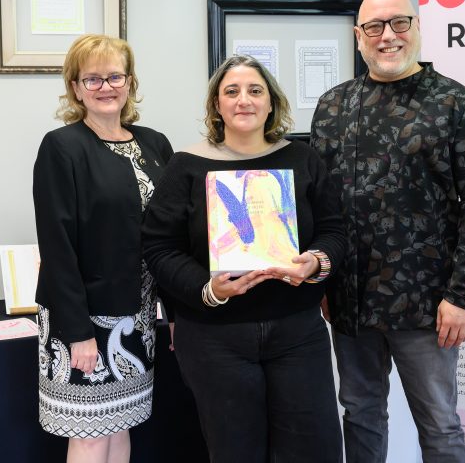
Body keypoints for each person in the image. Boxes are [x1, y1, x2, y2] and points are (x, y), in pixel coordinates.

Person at [310, 0, 465, 463]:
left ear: (416, 28)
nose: (387, 36)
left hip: (429, 304)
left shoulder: (454, 102)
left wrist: (462, 295)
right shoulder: (333, 106)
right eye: (374, 27)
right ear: (358, 37)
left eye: (399, 23)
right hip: (350, 301)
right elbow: (320, 202)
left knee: (438, 423)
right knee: (360, 413)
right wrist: (322, 281)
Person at [141, 55, 345, 463]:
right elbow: (159, 246)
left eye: (255, 91)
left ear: (271, 103)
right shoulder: (185, 167)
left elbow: (336, 229)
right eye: (231, 92)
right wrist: (206, 289)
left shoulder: (302, 160)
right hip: (216, 339)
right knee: (235, 452)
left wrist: (317, 261)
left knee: (313, 449)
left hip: (297, 334)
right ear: (217, 105)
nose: (244, 100)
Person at [33, 34, 173, 463]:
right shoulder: (62, 147)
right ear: (75, 88)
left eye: (114, 76)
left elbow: (170, 234)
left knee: (120, 424)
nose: (105, 86)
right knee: (90, 434)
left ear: (129, 82)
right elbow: (57, 247)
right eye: (92, 79)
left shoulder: (154, 144)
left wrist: (176, 310)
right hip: (86, 319)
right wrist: (78, 333)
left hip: (138, 317)